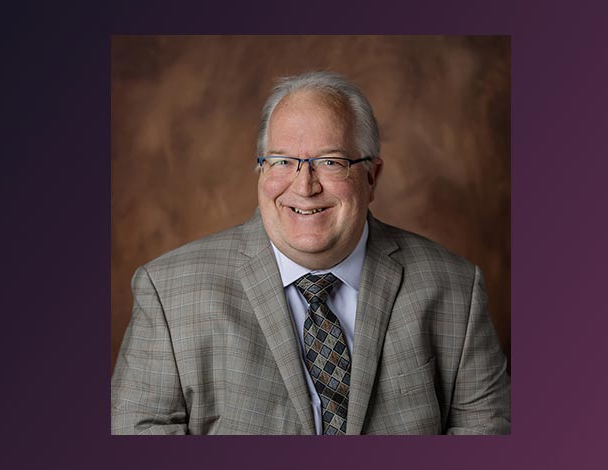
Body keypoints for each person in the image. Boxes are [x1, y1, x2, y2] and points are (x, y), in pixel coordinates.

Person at [111, 71, 510, 435]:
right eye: (282, 161)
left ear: (372, 177)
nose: (304, 187)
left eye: (330, 162)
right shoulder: (167, 292)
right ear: (261, 171)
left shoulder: (456, 288)